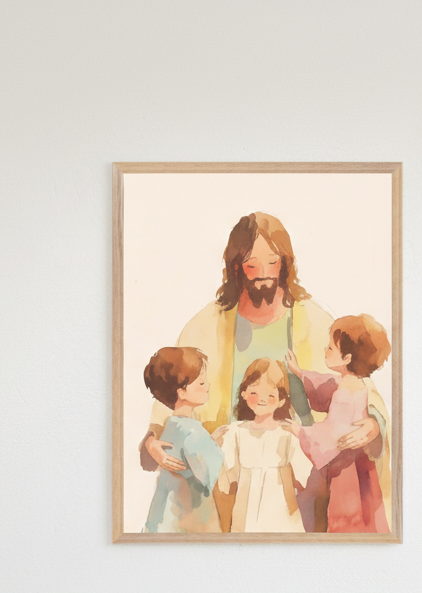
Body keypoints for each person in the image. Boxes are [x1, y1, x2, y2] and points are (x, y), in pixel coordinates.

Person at [140, 212, 387, 531]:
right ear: (236, 267)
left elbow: (363, 387)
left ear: (285, 264)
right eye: (251, 265)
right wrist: (152, 439)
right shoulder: (208, 324)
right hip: (231, 474)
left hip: (305, 475)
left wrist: (372, 424)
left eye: (272, 263)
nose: (263, 275)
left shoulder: (313, 320)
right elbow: (173, 390)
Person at [287, 315, 391, 533]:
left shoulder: (344, 391)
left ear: (347, 358)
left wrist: (300, 432)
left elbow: (331, 432)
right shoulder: (352, 382)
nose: (325, 351)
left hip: (345, 465)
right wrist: (300, 372)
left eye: (331, 348)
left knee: (344, 516)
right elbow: (325, 383)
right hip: (357, 461)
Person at [218, 358, 313, 533]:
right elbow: (226, 480)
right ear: (244, 393)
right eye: (255, 393)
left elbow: (304, 478)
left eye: (270, 395)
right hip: (245, 518)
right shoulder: (235, 432)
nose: (262, 400)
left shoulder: (287, 434)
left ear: (281, 400)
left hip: (282, 515)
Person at [141, 347, 224, 533]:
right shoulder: (193, 430)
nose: (208, 386)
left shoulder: (172, 425)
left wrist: (209, 441)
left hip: (164, 515)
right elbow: (210, 472)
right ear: (182, 392)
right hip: (188, 520)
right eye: (201, 383)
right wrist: (217, 444)